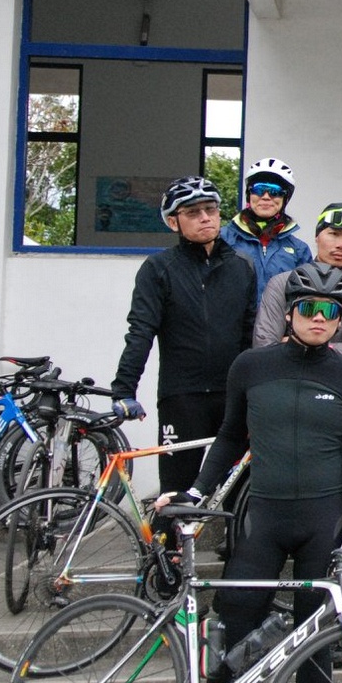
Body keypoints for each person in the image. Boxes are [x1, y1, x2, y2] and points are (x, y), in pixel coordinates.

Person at [152, 263, 342, 683]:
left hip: (324, 523)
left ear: (340, 319)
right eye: (309, 308)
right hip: (264, 520)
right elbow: (230, 438)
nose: (320, 318)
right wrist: (196, 493)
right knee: (231, 633)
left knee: (313, 641)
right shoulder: (251, 367)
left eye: (331, 310)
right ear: (290, 313)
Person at [110, 176, 255, 494]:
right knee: (175, 492)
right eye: (192, 212)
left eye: (210, 209)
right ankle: (170, 530)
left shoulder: (242, 267)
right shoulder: (158, 268)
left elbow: (249, 336)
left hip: (232, 397)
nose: (205, 217)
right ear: (173, 222)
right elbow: (141, 331)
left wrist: (256, 390)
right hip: (182, 398)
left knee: (238, 492)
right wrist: (123, 390)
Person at [252, 203, 342, 368]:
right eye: (334, 234)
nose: (341, 244)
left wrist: (293, 344)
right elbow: (264, 346)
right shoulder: (281, 283)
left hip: (338, 381)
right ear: (317, 237)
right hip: (285, 376)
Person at [219, 156, 313, 309]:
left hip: (278, 324)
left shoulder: (299, 250)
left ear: (285, 198)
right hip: (233, 323)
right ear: (249, 194)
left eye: (275, 192)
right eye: (259, 189)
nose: (266, 197)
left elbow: (305, 298)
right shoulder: (223, 239)